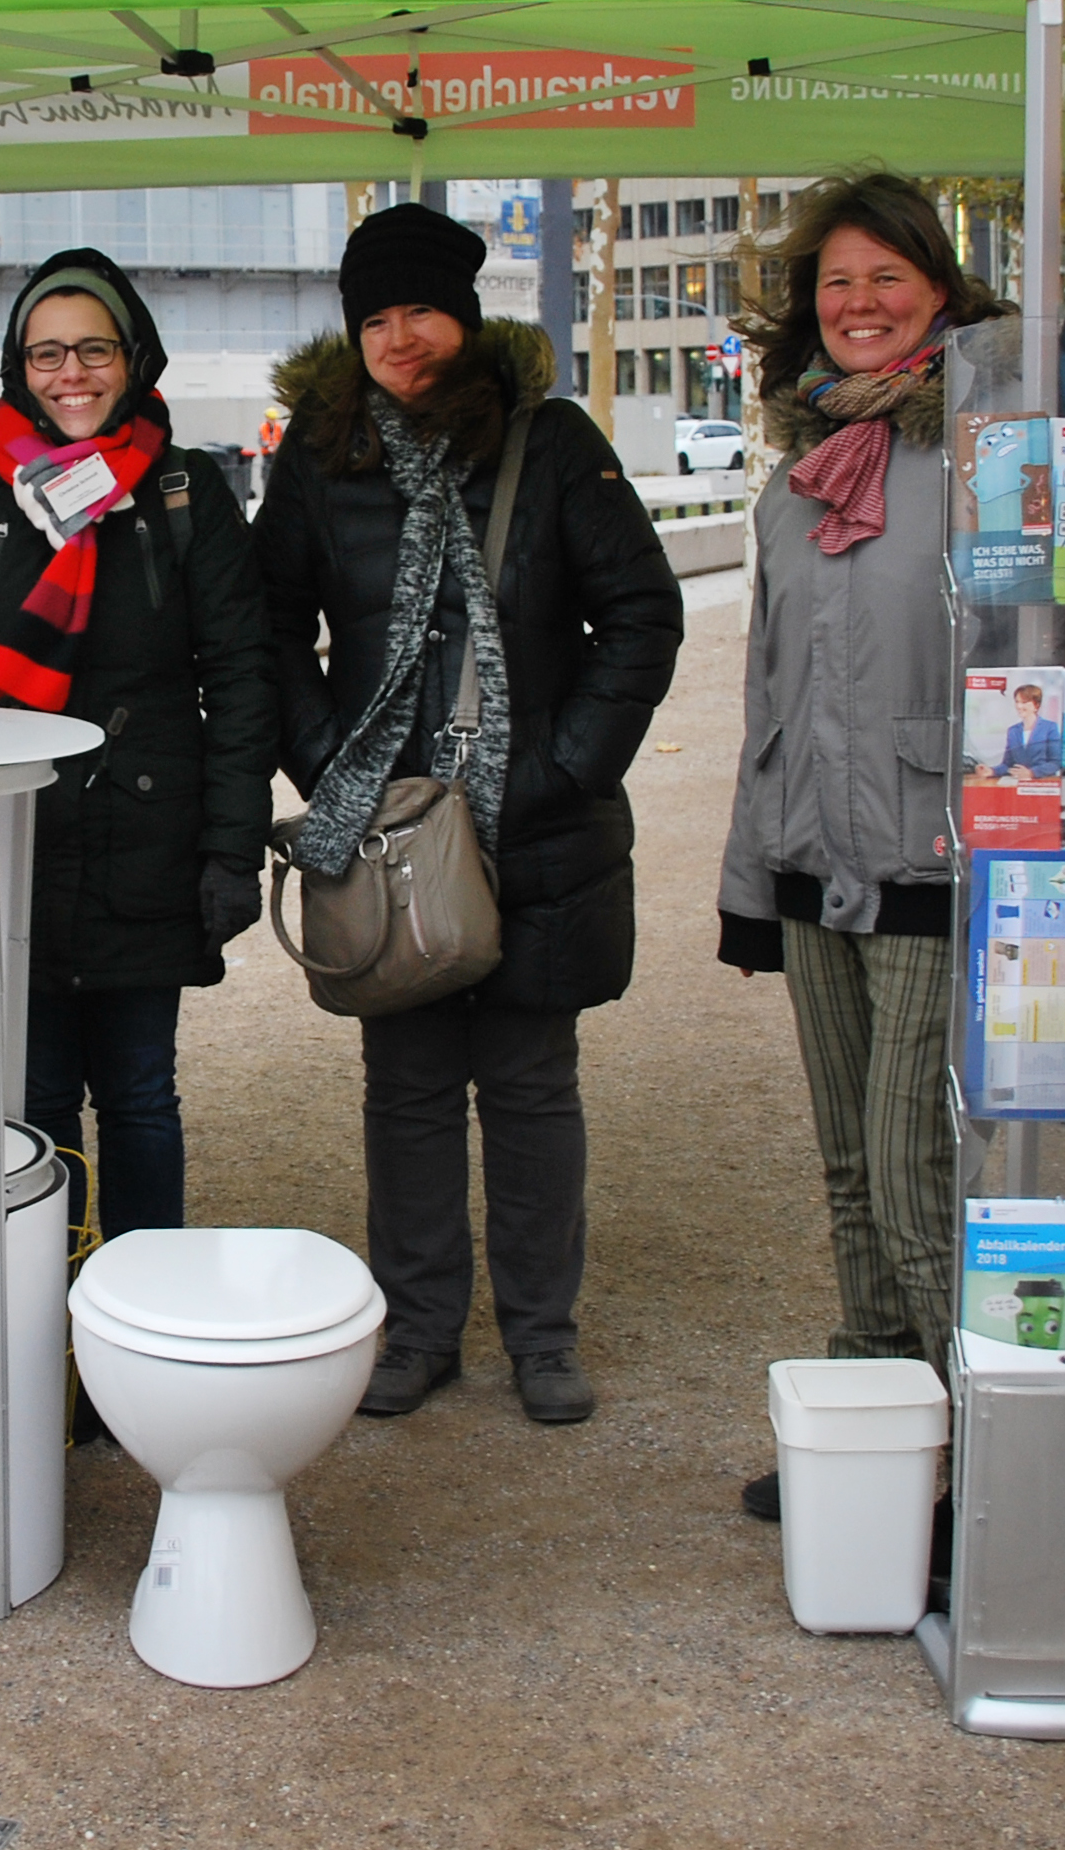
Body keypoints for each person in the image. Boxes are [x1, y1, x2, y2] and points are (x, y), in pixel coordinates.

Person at [712, 173, 1065, 1533]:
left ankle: (986, 1473)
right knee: (847, 1161)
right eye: (835, 283)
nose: (856, 304)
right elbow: (770, 682)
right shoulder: (796, 469)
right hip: (808, 855)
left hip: (938, 851)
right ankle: (876, 1429)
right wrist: (745, 875)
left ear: (941, 295)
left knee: (915, 1168)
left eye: (885, 279)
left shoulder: (991, 445)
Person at [257, 203, 682, 1427]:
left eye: (421, 311)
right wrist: (328, 763)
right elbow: (272, 622)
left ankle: (542, 1334)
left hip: (537, 822)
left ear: (467, 314)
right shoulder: (322, 454)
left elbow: (641, 618)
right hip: (388, 825)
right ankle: (421, 1327)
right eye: (375, 317)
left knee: (532, 1081)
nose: (399, 337)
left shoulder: (550, 444)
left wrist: (553, 768)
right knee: (405, 1080)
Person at [0, 250, 276, 1253]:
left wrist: (231, 847)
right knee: (35, 1098)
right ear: (19, 366)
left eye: (93, 349)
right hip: (6, 841)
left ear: (132, 356)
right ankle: (42, 1324)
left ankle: (144, 1309)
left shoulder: (186, 493)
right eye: (46, 353)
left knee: (141, 1096)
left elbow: (239, 679)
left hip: (149, 842)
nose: (72, 374)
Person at [993, 682, 1061, 776]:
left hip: (1043, 782)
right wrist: (992, 771)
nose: (1019, 706)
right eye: (1017, 702)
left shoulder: (1050, 728)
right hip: (1018, 783)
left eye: (1024, 702)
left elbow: (1055, 763)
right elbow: (1007, 764)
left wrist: (1031, 773)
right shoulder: (1013, 731)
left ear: (1036, 705)